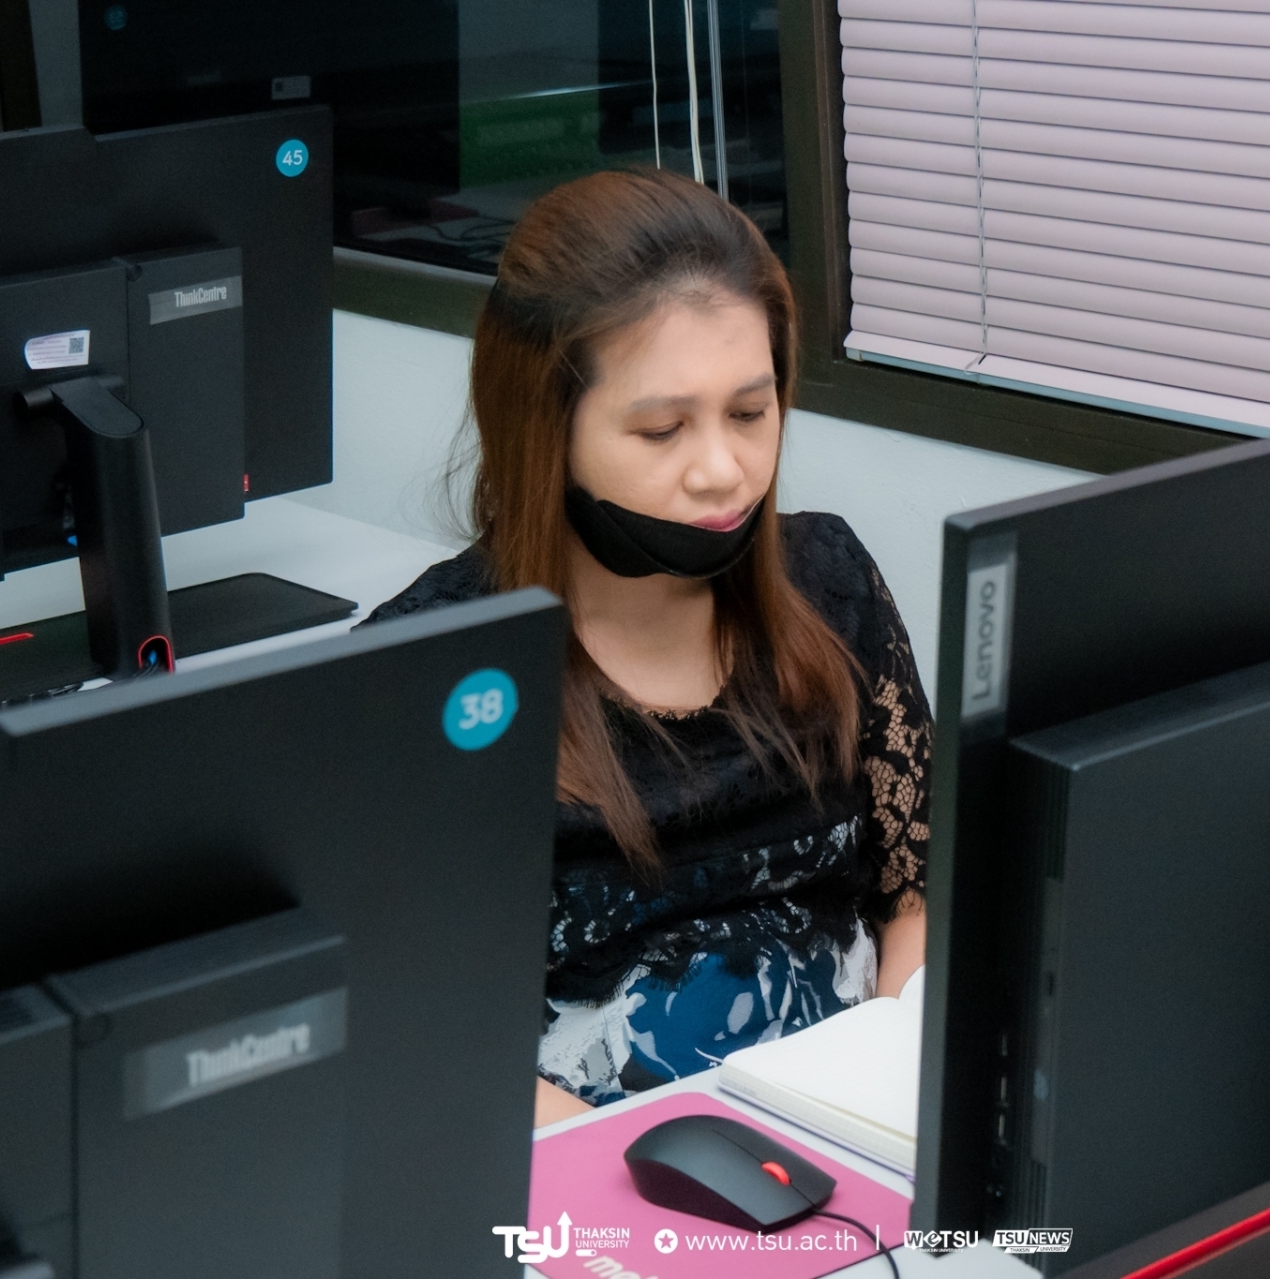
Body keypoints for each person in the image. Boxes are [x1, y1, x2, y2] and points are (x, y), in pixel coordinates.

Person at [365, 169, 930, 1127]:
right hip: (586, 1163)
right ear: (547, 431)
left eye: (750, 412)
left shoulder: (830, 585)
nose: (723, 469)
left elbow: (912, 894)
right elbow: (417, 1030)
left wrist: (892, 1092)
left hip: (850, 1128)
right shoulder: (431, 672)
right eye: (662, 429)